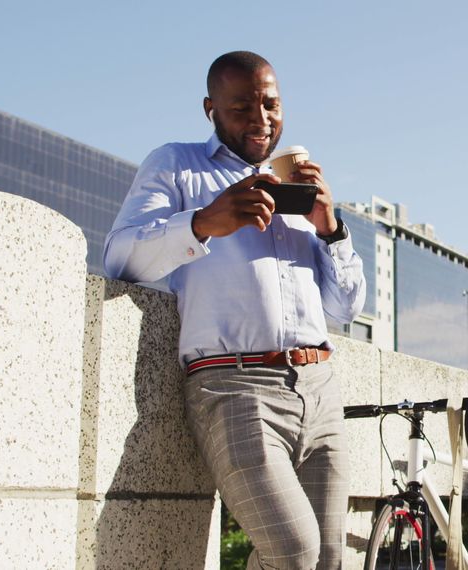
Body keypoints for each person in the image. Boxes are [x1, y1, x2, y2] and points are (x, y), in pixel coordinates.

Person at [103, 50, 365, 570]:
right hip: (234, 386)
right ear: (211, 109)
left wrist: (330, 228)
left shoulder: (297, 189)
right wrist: (203, 223)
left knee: (331, 559)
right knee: (293, 552)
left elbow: (346, 307)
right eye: (242, 106)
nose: (260, 119)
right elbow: (119, 257)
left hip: (319, 385)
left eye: (270, 104)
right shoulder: (177, 165)